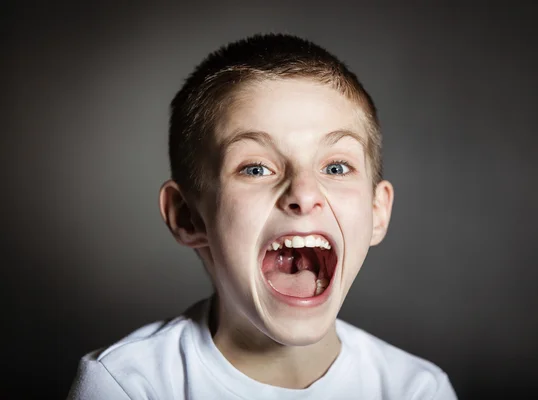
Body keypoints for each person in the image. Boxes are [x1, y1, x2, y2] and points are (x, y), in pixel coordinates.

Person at [68, 33, 458, 399]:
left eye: (336, 168)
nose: (303, 194)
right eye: (256, 168)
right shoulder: (128, 386)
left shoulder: (416, 390)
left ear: (377, 212)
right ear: (188, 216)